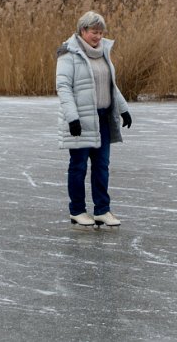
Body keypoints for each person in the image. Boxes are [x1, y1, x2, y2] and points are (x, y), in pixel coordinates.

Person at [55, 11, 132, 227]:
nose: (97, 36)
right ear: (82, 31)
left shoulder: (103, 52)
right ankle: (77, 210)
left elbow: (110, 85)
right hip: (81, 120)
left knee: (102, 167)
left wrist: (123, 109)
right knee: (78, 166)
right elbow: (63, 87)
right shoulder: (68, 53)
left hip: (104, 119)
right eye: (93, 32)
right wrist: (72, 118)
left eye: (100, 32)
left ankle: (102, 210)